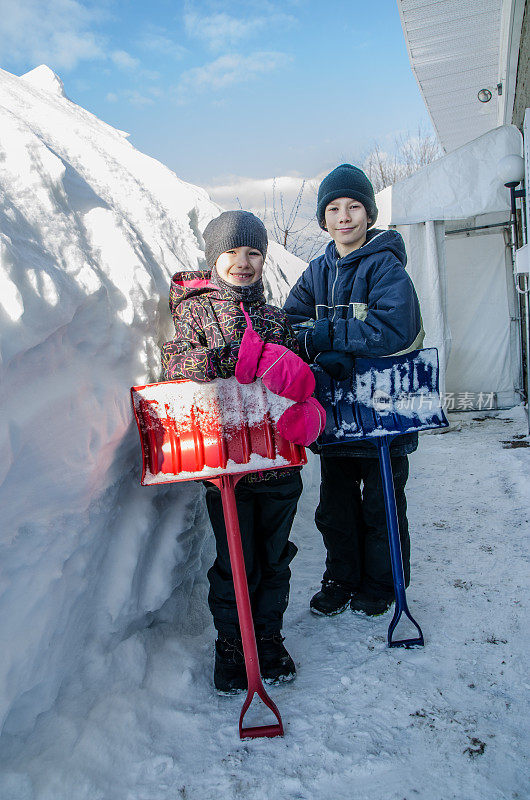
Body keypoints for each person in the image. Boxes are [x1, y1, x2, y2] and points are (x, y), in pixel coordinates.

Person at [161, 210, 304, 693]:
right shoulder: (196, 312)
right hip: (230, 467)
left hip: (278, 461)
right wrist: (229, 358)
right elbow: (178, 365)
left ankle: (267, 639)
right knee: (236, 559)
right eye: (232, 252)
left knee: (275, 555)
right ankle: (232, 646)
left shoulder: (275, 317)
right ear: (213, 258)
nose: (243, 262)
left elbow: (295, 380)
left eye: (253, 253)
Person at [284, 164, 424, 617]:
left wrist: (332, 335)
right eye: (334, 208)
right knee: (335, 509)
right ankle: (341, 578)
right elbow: (290, 323)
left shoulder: (385, 266)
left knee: (381, 508)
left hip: (382, 411)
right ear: (324, 218)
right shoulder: (316, 270)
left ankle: (381, 584)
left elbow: (395, 327)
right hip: (336, 414)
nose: (344, 216)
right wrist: (322, 347)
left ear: (369, 213)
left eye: (354, 206)